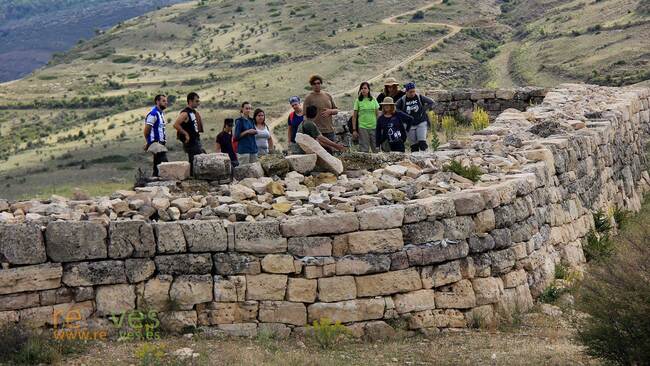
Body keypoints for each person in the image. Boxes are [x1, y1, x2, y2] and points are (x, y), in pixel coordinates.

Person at [396, 82, 435, 152]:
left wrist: (423, 109)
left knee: (422, 142)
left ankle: (426, 158)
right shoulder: (402, 100)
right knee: (414, 146)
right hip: (409, 125)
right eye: (410, 92)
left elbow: (431, 102)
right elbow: (396, 108)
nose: (412, 93)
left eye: (414, 91)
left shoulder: (419, 97)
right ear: (406, 92)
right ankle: (416, 160)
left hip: (421, 122)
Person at [174, 92, 205, 174]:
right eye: (196, 101)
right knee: (196, 161)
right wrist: (185, 134)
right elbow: (176, 124)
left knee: (199, 159)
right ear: (190, 101)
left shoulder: (194, 112)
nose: (198, 103)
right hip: (190, 143)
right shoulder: (185, 113)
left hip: (196, 140)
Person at [303, 74, 339, 143]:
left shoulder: (328, 95)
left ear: (321, 84)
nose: (316, 85)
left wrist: (330, 111)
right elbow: (305, 116)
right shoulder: (308, 98)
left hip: (329, 130)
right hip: (316, 132)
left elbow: (336, 110)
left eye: (318, 83)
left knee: (331, 152)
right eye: (314, 83)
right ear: (311, 85)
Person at [143, 94, 168, 177]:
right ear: (157, 102)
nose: (166, 103)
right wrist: (149, 142)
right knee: (164, 164)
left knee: (157, 165)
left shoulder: (160, 114)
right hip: (156, 143)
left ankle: (154, 181)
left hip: (160, 143)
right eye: (163, 101)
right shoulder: (153, 114)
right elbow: (147, 130)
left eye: (166, 101)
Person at [352, 82, 380, 153]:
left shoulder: (373, 99)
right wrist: (354, 130)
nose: (363, 90)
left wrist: (379, 126)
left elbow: (377, 114)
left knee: (376, 149)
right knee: (364, 150)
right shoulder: (358, 100)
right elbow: (354, 116)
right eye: (362, 88)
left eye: (365, 88)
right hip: (363, 128)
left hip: (374, 127)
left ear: (368, 90)